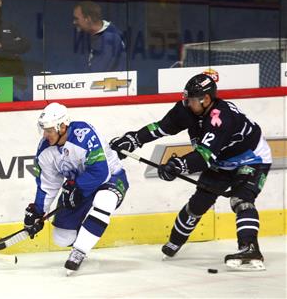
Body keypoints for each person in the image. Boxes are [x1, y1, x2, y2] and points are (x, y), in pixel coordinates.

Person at [109, 74, 272, 271]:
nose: (187, 103)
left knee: (241, 199)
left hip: (252, 160)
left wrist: (178, 164)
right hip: (220, 162)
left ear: (207, 99)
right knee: (197, 204)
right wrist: (134, 139)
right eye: (186, 98)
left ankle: (250, 249)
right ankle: (175, 242)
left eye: (192, 100)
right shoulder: (186, 110)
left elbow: (203, 157)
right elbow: (160, 127)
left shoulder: (221, 117)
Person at [23, 102, 129, 274]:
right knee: (62, 237)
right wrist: (38, 211)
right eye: (44, 130)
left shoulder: (84, 134)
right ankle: (86, 237)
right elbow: (48, 184)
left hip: (111, 178)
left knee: (105, 200)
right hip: (79, 187)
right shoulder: (45, 150)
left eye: (49, 130)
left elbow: (100, 172)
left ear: (62, 127)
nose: (45, 135)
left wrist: (76, 188)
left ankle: (79, 251)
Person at [73, 1, 126, 73]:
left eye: (76, 19)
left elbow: (98, 75)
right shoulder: (93, 35)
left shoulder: (110, 38)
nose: (74, 22)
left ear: (88, 19)